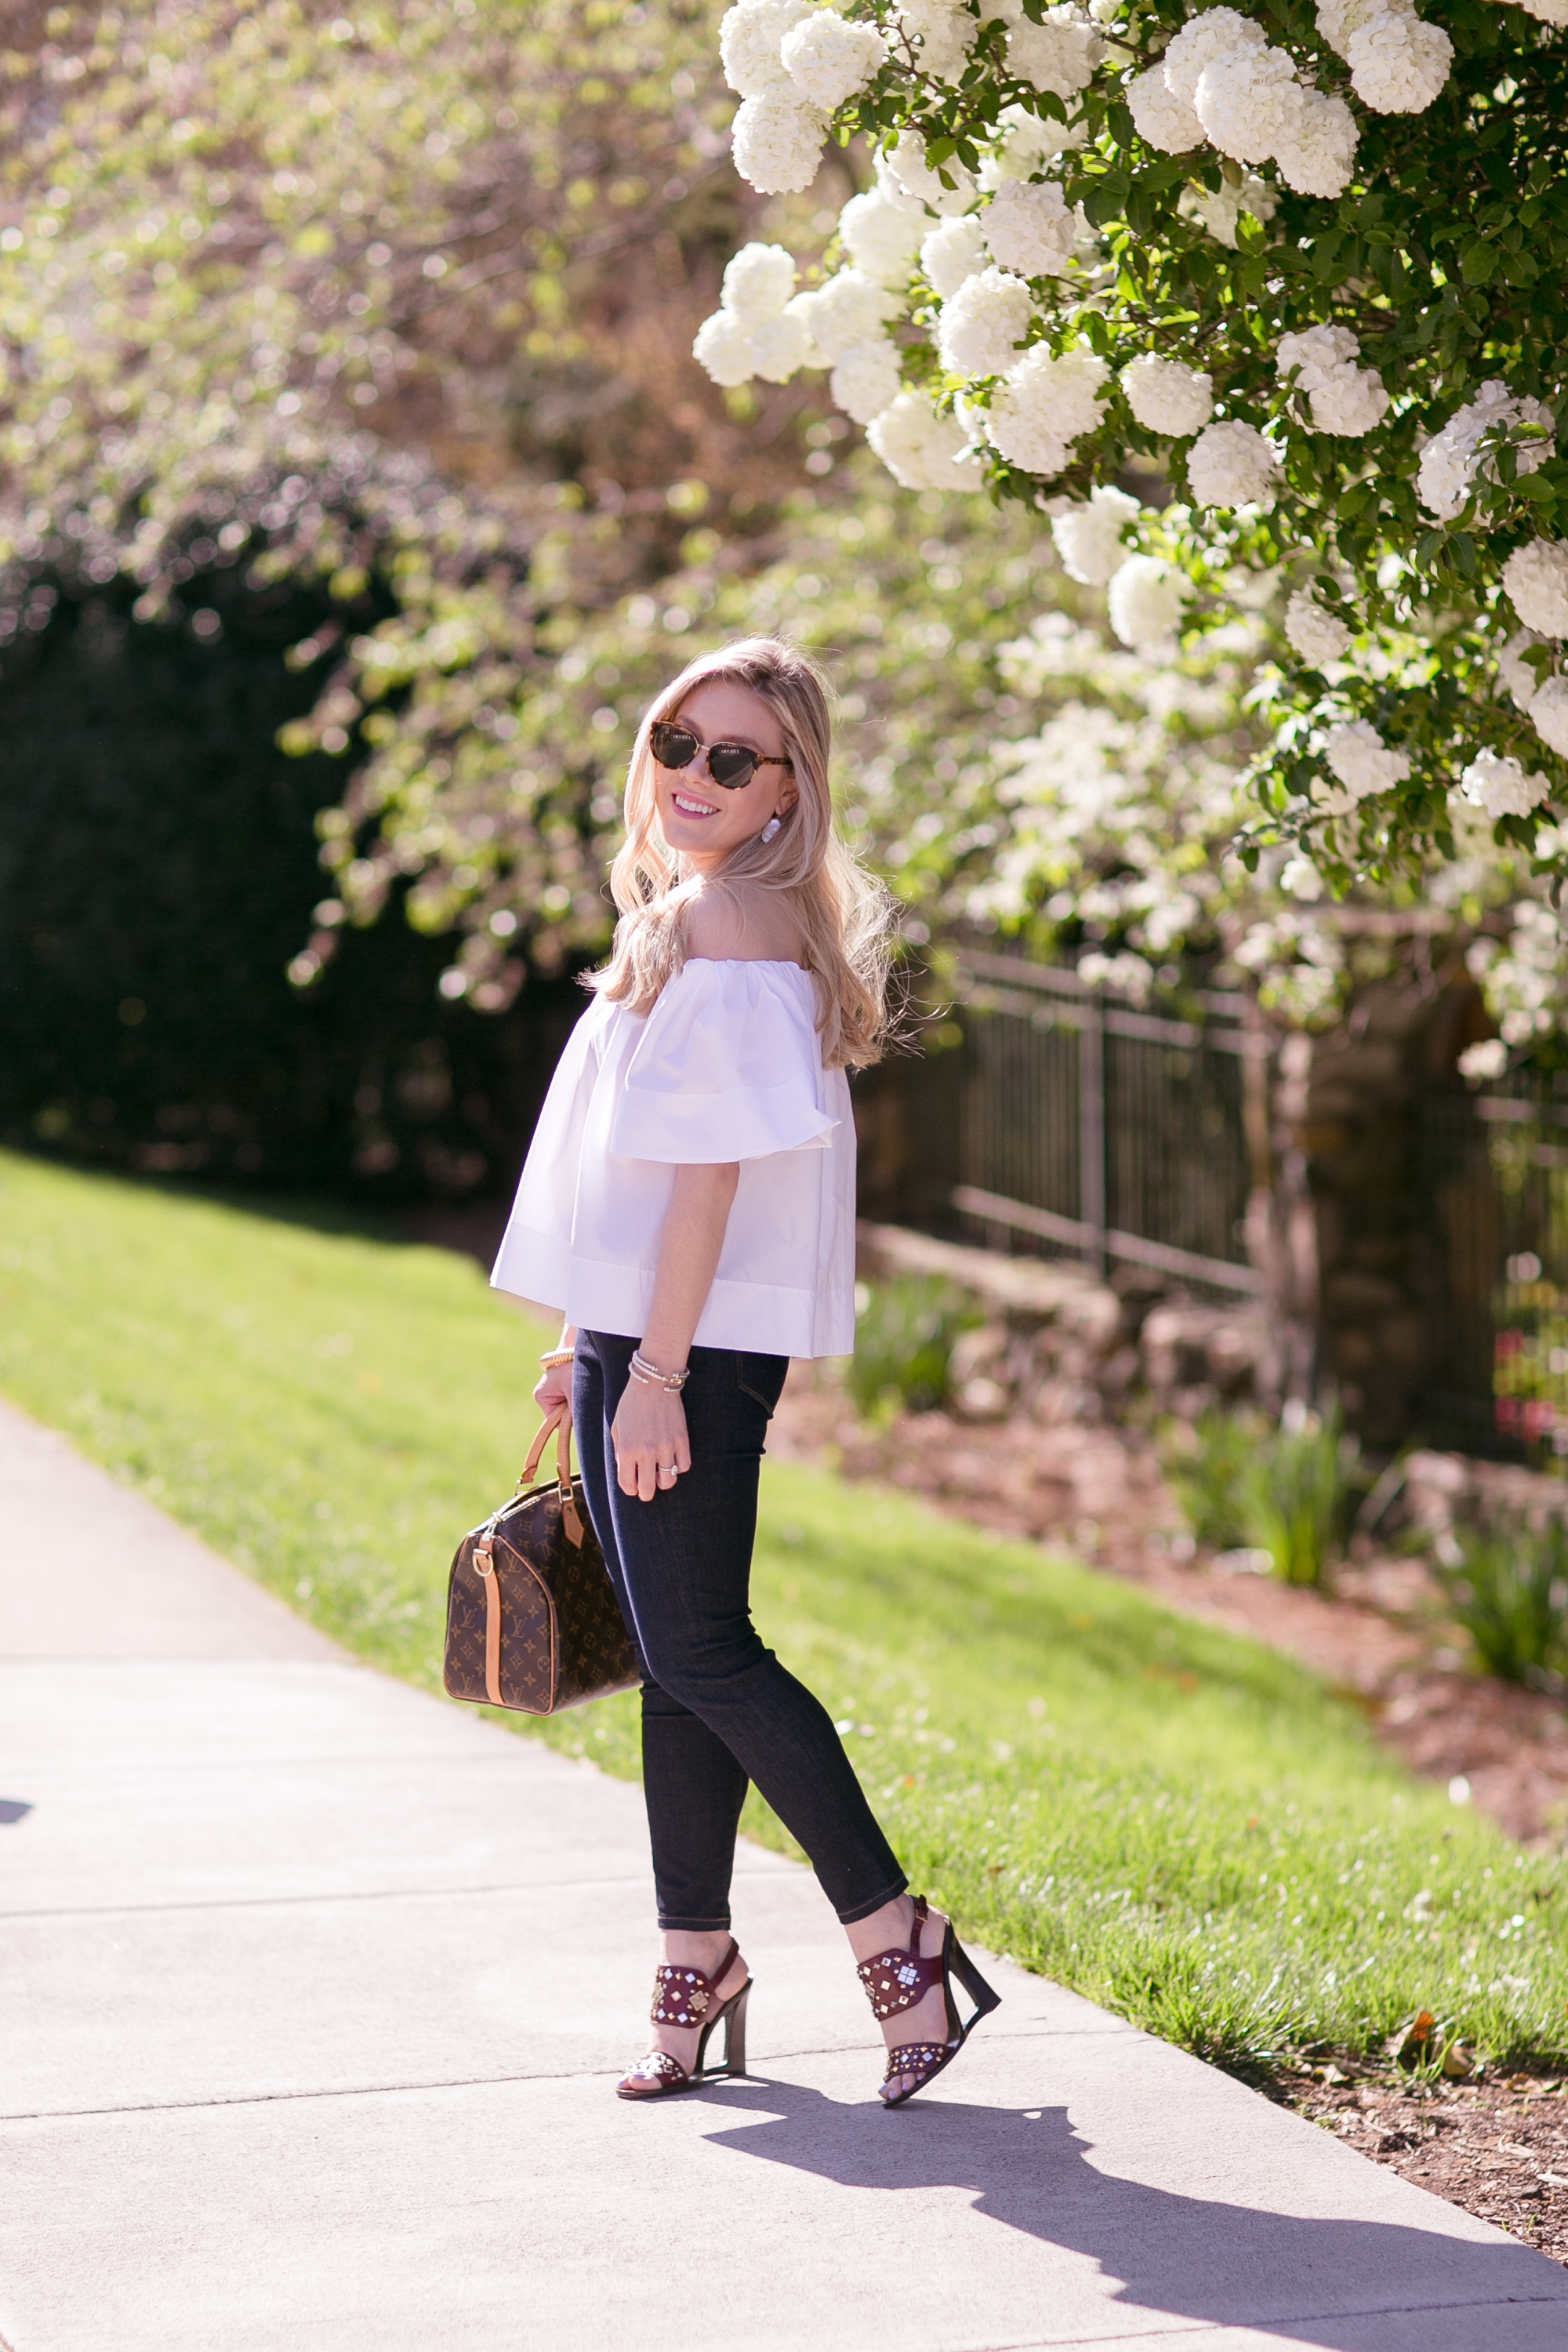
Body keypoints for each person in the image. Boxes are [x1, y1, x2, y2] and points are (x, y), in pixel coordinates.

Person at [490, 635, 998, 2107]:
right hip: (652, 1336)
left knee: (706, 1653)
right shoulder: (722, 912)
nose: (693, 776)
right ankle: (694, 1958)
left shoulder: (730, 921)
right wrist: (590, 1342)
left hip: (686, 1354)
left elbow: (707, 1178)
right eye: (674, 742)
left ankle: (898, 1937)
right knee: (676, 1661)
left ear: (788, 790)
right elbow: (653, 1180)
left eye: (734, 758)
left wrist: (647, 1371)